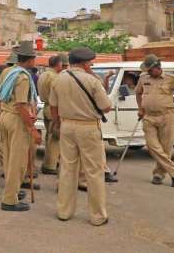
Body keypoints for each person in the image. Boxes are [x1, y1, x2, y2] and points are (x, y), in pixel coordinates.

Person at [50, 47, 112, 226]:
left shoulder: (59, 78)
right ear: (85, 63)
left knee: (68, 169)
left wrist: (58, 123)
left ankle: (64, 211)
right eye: (90, 63)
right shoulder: (92, 80)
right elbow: (106, 106)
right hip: (88, 127)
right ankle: (98, 215)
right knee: (94, 171)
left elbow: (53, 106)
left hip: (66, 125)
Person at [135, 54, 174, 187]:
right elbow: (138, 93)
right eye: (147, 70)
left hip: (166, 116)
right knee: (151, 146)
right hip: (148, 116)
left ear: (157, 67)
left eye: (150, 69)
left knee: (166, 148)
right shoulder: (143, 78)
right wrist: (140, 108)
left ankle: (159, 174)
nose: (148, 72)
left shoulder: (171, 79)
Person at [0, 41, 41, 212]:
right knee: (18, 162)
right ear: (29, 59)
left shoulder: (10, 72)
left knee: (9, 159)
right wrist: (32, 129)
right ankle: (9, 200)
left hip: (5, 116)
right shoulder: (22, 77)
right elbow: (21, 105)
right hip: (16, 119)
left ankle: (12, 193)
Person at [38, 54, 65, 175]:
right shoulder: (55, 77)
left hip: (46, 106)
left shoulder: (43, 74)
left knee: (49, 136)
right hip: (54, 108)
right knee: (55, 138)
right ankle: (50, 165)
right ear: (58, 64)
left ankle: (48, 162)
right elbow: (59, 95)